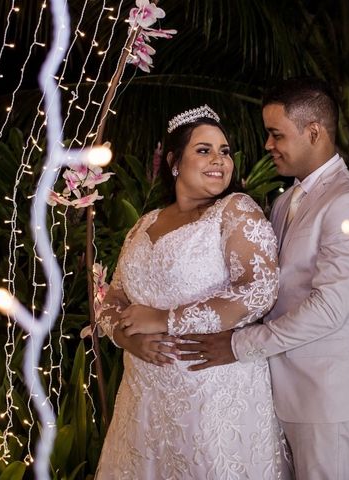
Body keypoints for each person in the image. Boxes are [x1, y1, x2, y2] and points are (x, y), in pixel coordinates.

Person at [177, 78, 349, 479]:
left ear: (314, 132)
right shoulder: (286, 201)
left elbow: (329, 309)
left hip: (324, 398)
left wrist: (239, 345)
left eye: (276, 134)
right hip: (272, 391)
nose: (268, 145)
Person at [95, 105, 292, 479]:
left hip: (212, 394)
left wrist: (164, 320)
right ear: (173, 161)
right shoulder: (145, 223)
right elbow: (112, 295)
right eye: (204, 150)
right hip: (144, 398)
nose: (219, 160)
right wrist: (123, 336)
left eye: (224, 151)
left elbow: (258, 289)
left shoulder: (234, 211)